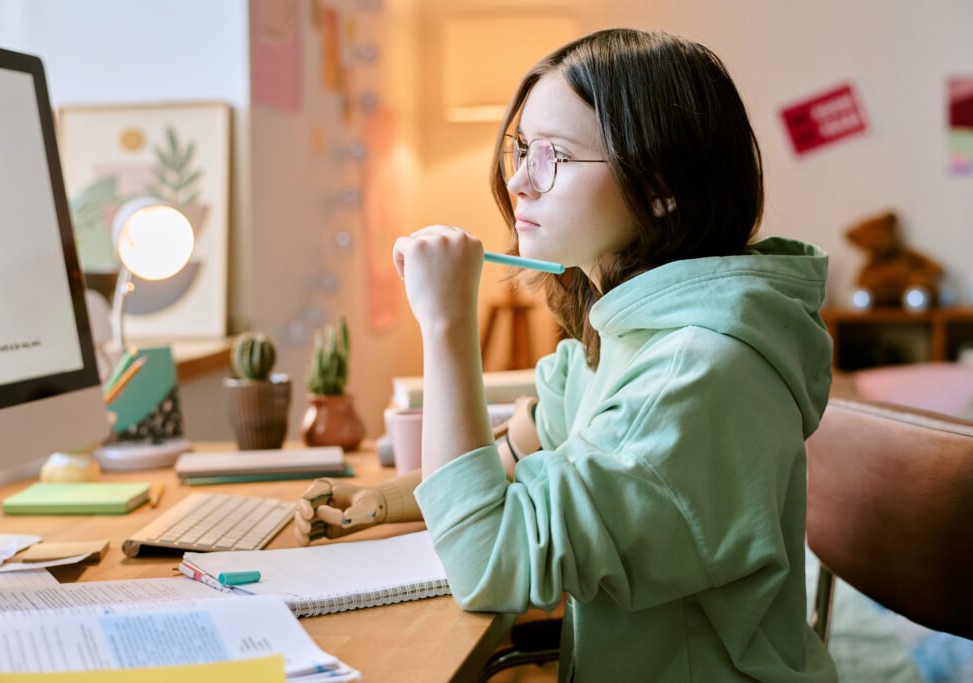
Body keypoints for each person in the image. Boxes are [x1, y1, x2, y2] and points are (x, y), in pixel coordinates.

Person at [293, 28, 837, 682]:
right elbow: (506, 459)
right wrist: (369, 502)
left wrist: (445, 325)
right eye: (520, 150)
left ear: (661, 187)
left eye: (552, 154)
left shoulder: (691, 375)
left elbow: (490, 560)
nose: (520, 180)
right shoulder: (623, 331)